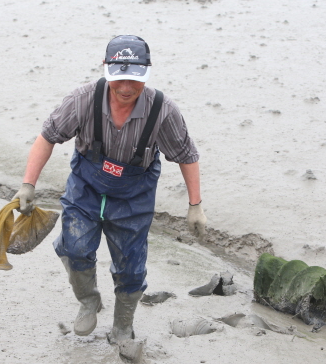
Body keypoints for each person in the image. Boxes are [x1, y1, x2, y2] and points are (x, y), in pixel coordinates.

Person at [12, 35, 207, 343]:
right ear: (106, 69)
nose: (126, 87)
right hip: (86, 186)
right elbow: (47, 137)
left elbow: (186, 155)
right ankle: (89, 301)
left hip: (135, 194)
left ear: (146, 72)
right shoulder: (82, 99)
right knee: (75, 247)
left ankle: (123, 322)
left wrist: (195, 205)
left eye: (135, 78)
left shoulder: (163, 110)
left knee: (131, 265)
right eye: (120, 79)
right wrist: (27, 184)